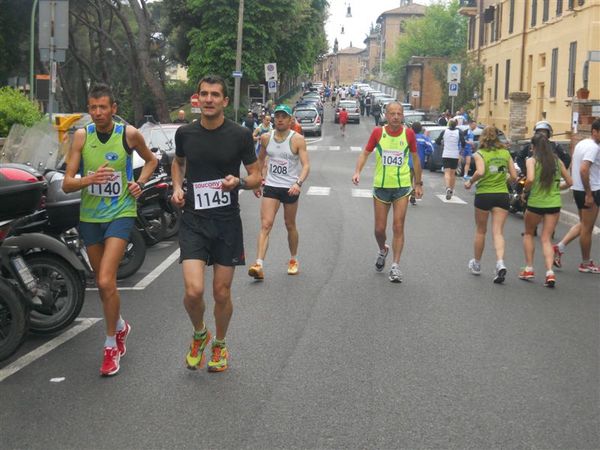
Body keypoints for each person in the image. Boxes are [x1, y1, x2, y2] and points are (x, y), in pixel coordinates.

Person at [62, 83, 157, 376]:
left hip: (121, 212)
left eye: (103, 107)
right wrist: (88, 180)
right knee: (105, 286)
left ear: (114, 109)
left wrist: (139, 183)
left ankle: (110, 345)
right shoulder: (81, 136)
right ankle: (120, 326)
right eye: (93, 107)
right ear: (89, 110)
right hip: (90, 216)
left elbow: (152, 160)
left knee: (105, 280)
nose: (98, 112)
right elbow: (67, 183)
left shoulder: (128, 135)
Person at [171, 75, 262, 373]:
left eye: (215, 95)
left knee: (221, 293)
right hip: (194, 220)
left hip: (226, 222)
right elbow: (179, 162)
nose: (208, 99)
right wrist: (177, 187)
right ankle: (200, 333)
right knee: (194, 291)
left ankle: (220, 344)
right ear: (197, 99)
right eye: (204, 94)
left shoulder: (239, 135)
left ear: (225, 100)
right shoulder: (185, 133)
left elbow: (256, 176)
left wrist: (238, 182)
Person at [352, 102, 424, 283]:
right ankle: (383, 249)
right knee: (379, 229)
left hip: (401, 188)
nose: (396, 117)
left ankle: (395, 266)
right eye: (392, 113)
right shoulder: (378, 132)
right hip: (381, 187)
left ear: (403, 115)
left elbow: (415, 159)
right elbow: (365, 153)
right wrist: (357, 171)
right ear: (386, 114)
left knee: (398, 226)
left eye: (399, 113)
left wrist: (418, 183)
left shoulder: (408, 134)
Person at [248, 105, 310, 280]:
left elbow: (306, 165)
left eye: (284, 116)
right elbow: (259, 161)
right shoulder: (266, 138)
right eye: (277, 116)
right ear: (274, 119)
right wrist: (257, 181)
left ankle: (293, 259)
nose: (280, 119)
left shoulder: (297, 139)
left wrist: (298, 183)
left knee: (289, 224)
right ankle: (259, 264)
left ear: (290, 119)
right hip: (272, 186)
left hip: (290, 187)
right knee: (266, 224)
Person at [464, 126, 517, 284]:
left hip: (484, 195)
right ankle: (500, 262)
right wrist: (503, 180)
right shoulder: (505, 153)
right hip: (501, 195)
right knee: (498, 232)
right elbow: (514, 176)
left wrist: (470, 182)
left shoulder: (479, 154)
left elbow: (480, 172)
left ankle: (477, 264)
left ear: (483, 138)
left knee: (481, 231)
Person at [518, 133, 572, 287]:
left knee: (529, 233)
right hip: (554, 204)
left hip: (536, 203)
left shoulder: (532, 161)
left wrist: (525, 192)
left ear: (533, 147)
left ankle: (528, 268)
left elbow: (529, 179)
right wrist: (556, 188)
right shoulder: (557, 161)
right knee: (546, 238)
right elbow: (569, 182)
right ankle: (550, 273)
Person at [552, 118, 600, 273]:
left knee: (583, 224)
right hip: (590, 190)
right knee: (587, 227)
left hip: (579, 189)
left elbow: (576, 164)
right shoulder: (593, 148)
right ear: (594, 131)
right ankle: (585, 263)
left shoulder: (582, 143)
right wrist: (589, 194)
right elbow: (584, 169)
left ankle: (560, 247)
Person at [435, 119, 465, 199]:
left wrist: (442, 143)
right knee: (453, 173)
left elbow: (437, 141)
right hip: (455, 155)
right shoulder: (459, 132)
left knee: (447, 173)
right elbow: (463, 143)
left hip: (446, 154)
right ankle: (451, 190)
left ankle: (447, 188)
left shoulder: (444, 131)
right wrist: (460, 152)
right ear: (456, 125)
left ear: (449, 124)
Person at [409, 122, 433, 205]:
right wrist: (425, 153)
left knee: (408, 179)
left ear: (412, 128)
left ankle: (411, 193)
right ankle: (414, 195)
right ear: (420, 130)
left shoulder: (409, 137)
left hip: (409, 162)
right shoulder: (424, 138)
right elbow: (431, 148)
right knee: (417, 180)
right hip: (420, 162)